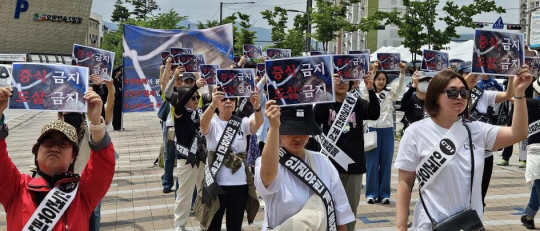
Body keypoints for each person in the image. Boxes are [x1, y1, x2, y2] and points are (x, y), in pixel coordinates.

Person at [395, 68, 532, 230]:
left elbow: (519, 133)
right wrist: (401, 227)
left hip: (469, 224)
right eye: (452, 93)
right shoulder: (415, 132)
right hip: (429, 223)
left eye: (464, 93)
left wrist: (520, 94)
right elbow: (405, 183)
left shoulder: (477, 130)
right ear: (435, 96)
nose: (460, 97)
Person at [0, 85, 116, 229]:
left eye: (62, 144)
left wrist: (96, 122)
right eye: (48, 143)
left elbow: (103, 164)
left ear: (73, 156)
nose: (54, 148)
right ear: (36, 152)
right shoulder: (16, 189)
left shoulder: (83, 193)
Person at [255, 103, 355, 230]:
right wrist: (274, 127)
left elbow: (340, 213)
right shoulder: (269, 163)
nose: (297, 137)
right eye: (291, 131)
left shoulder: (323, 162)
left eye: (303, 130)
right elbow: (267, 176)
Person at [314, 66, 380, 231]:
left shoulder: (356, 103)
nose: (342, 83)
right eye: (337, 79)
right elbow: (315, 118)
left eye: (345, 80)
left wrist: (370, 89)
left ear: (351, 83)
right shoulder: (325, 102)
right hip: (329, 166)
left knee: (349, 212)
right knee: (327, 209)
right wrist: (326, 89)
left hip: (353, 166)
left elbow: (374, 113)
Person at [195, 87, 263, 230]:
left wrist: (257, 107)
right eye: (223, 99)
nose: (228, 102)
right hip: (216, 184)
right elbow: (203, 124)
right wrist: (212, 104)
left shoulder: (242, 122)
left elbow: (257, 124)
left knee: (235, 225)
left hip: (239, 184)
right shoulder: (213, 123)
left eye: (231, 99)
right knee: (213, 225)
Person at [457, 61, 514, 208]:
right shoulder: (453, 95)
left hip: (484, 153)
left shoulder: (483, 95)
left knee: (480, 196)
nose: (473, 77)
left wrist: (512, 75)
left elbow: (508, 94)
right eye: (469, 73)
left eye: (476, 74)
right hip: (461, 153)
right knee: (461, 196)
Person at [165, 71, 208, 231]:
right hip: (186, 158)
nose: (196, 100)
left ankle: (205, 222)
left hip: (203, 158)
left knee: (205, 193)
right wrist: (194, 86)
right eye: (193, 97)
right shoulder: (180, 114)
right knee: (185, 193)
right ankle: (180, 224)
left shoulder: (201, 112)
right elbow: (178, 102)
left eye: (198, 97)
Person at [362, 61, 406, 204]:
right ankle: (371, 193)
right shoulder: (368, 94)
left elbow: (399, 87)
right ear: (374, 80)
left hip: (387, 131)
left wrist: (403, 72)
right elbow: (364, 89)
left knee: (386, 163)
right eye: (378, 79)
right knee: (372, 164)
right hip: (371, 130)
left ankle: (384, 194)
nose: (381, 82)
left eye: (383, 79)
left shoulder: (389, 93)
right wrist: (373, 70)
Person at [160, 58, 184, 193]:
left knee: (183, 158)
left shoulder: (189, 92)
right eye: (177, 79)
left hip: (185, 128)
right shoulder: (170, 93)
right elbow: (163, 83)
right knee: (169, 156)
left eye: (182, 79)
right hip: (171, 127)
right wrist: (168, 65)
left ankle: (181, 184)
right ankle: (167, 182)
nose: (179, 82)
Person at [520, 78, 540, 229]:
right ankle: (529, 216)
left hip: (536, 153)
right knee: (538, 185)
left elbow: (514, 98)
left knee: (538, 185)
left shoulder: (530, 103)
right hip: (536, 153)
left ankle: (529, 217)